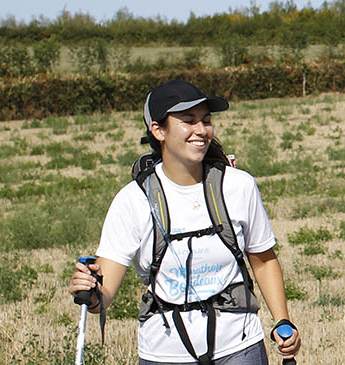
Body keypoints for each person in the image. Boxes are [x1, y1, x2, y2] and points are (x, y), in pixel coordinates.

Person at [67, 80, 300, 364]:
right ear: (158, 130)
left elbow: (263, 259)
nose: (201, 130)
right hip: (164, 353)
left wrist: (282, 320)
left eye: (206, 120)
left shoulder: (238, 186)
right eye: (188, 121)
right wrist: (89, 291)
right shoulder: (132, 201)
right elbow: (102, 295)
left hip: (240, 346)